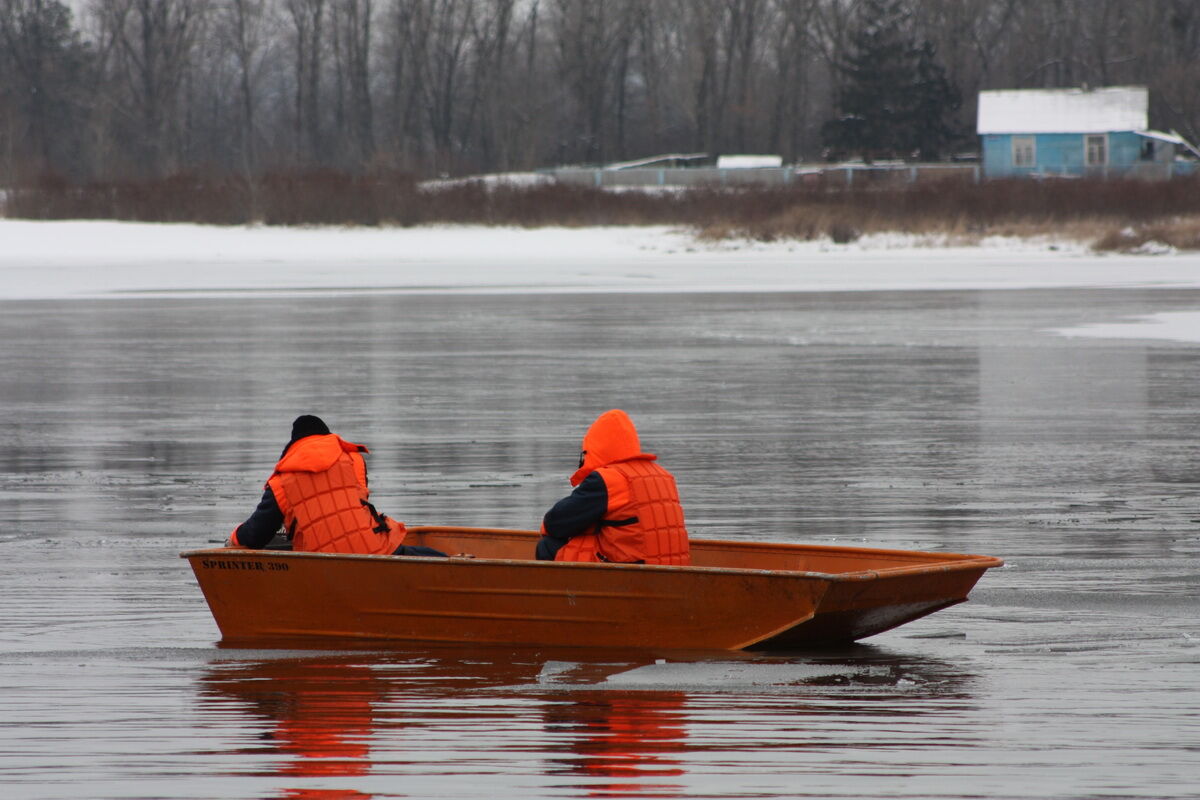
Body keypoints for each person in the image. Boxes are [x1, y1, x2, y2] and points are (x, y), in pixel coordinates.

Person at [226, 414, 445, 557]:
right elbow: (352, 505)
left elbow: (256, 535)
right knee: (434, 557)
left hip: (319, 565)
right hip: (375, 550)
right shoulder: (353, 460)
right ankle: (457, 565)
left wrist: (235, 538)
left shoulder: (281, 482)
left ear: (293, 446)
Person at [536, 409, 690, 565]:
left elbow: (556, 524)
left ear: (595, 448)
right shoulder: (663, 475)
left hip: (632, 572)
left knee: (547, 545)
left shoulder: (607, 479)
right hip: (673, 566)